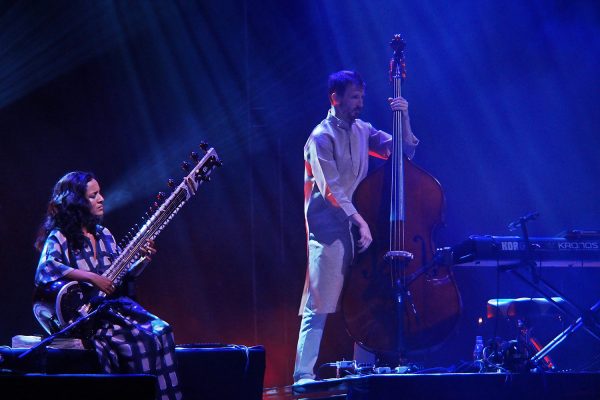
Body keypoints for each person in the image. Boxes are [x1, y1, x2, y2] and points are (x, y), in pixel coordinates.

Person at [293, 70, 419, 385]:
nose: (360, 103)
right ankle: (302, 374)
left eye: (362, 97)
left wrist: (403, 117)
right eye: (353, 97)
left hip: (359, 228)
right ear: (334, 98)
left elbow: (402, 152)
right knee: (319, 302)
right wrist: (360, 220)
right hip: (329, 231)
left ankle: (363, 370)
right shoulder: (320, 137)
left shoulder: (363, 130)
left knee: (367, 298)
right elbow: (331, 189)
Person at [34, 171, 183, 400]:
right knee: (140, 342)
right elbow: (46, 269)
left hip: (113, 309)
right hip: (87, 318)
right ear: (77, 202)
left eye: (100, 193)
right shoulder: (60, 236)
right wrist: (92, 277)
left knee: (162, 330)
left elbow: (122, 276)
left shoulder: (104, 235)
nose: (102, 199)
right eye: (93, 195)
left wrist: (143, 260)